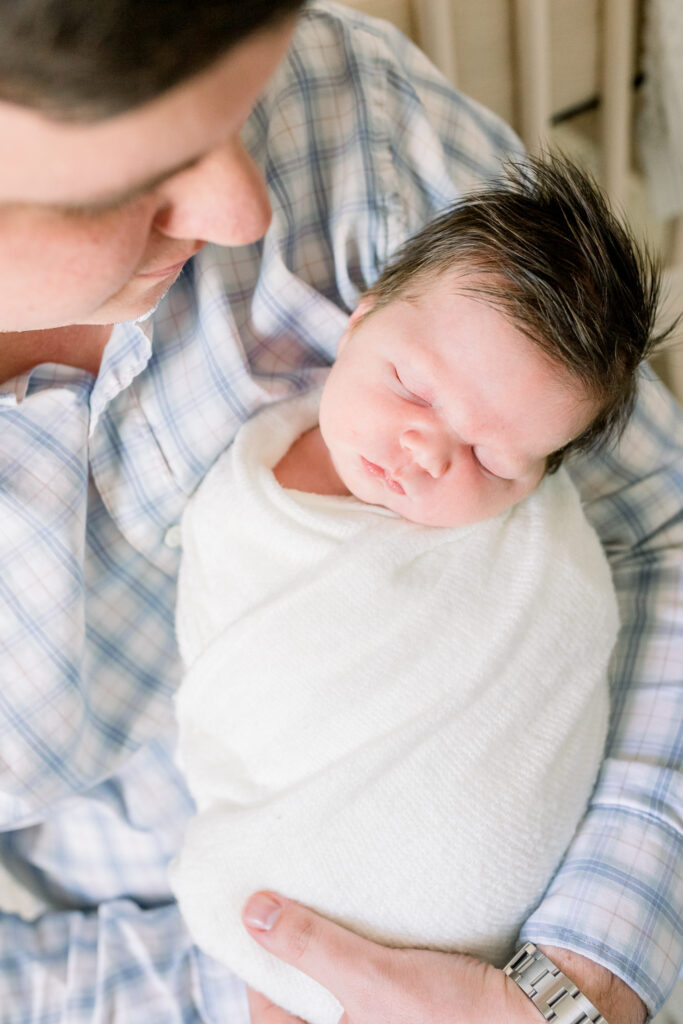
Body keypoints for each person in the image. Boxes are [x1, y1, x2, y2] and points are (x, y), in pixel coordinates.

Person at [0, 2, 679, 1023]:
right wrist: (242, 979)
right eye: (143, 173)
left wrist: (572, 985)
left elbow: (656, 525)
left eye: (235, 103)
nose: (245, 211)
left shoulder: (344, 115)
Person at [169, 156, 662, 1024]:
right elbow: (228, 724)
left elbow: (568, 644)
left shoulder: (528, 551)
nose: (426, 451)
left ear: (537, 479)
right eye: (411, 388)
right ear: (360, 321)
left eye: (491, 459)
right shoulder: (238, 505)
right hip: (288, 871)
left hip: (503, 936)